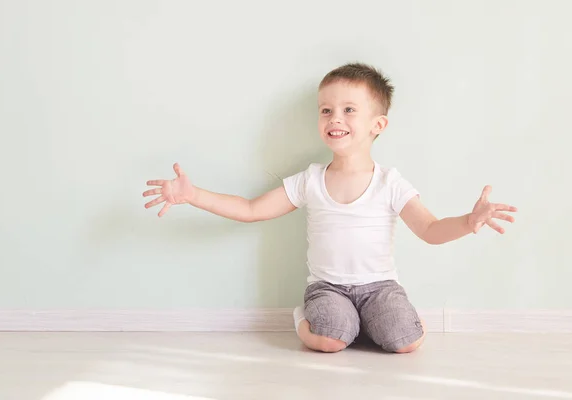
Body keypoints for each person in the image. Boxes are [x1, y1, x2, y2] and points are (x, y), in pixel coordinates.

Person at [143, 63, 517, 354]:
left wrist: (469, 222)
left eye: (348, 109)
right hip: (328, 288)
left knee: (406, 343)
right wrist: (193, 195)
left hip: (380, 287)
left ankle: (382, 320)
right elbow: (252, 208)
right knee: (331, 340)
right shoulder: (310, 180)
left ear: (378, 125)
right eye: (326, 110)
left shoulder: (390, 182)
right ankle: (310, 318)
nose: (334, 118)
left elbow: (430, 230)